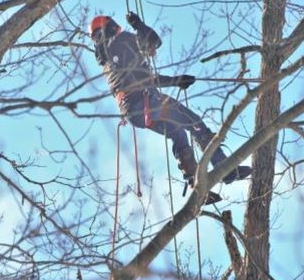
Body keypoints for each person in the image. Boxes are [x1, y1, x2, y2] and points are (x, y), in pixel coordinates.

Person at [89, 13, 252, 204]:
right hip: (146, 101)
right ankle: (225, 168)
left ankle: (196, 186)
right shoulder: (122, 42)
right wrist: (138, 24)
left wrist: (176, 81)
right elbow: (153, 43)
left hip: (135, 112)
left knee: (177, 132)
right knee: (193, 121)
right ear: (111, 27)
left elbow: (142, 78)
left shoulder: (107, 59)